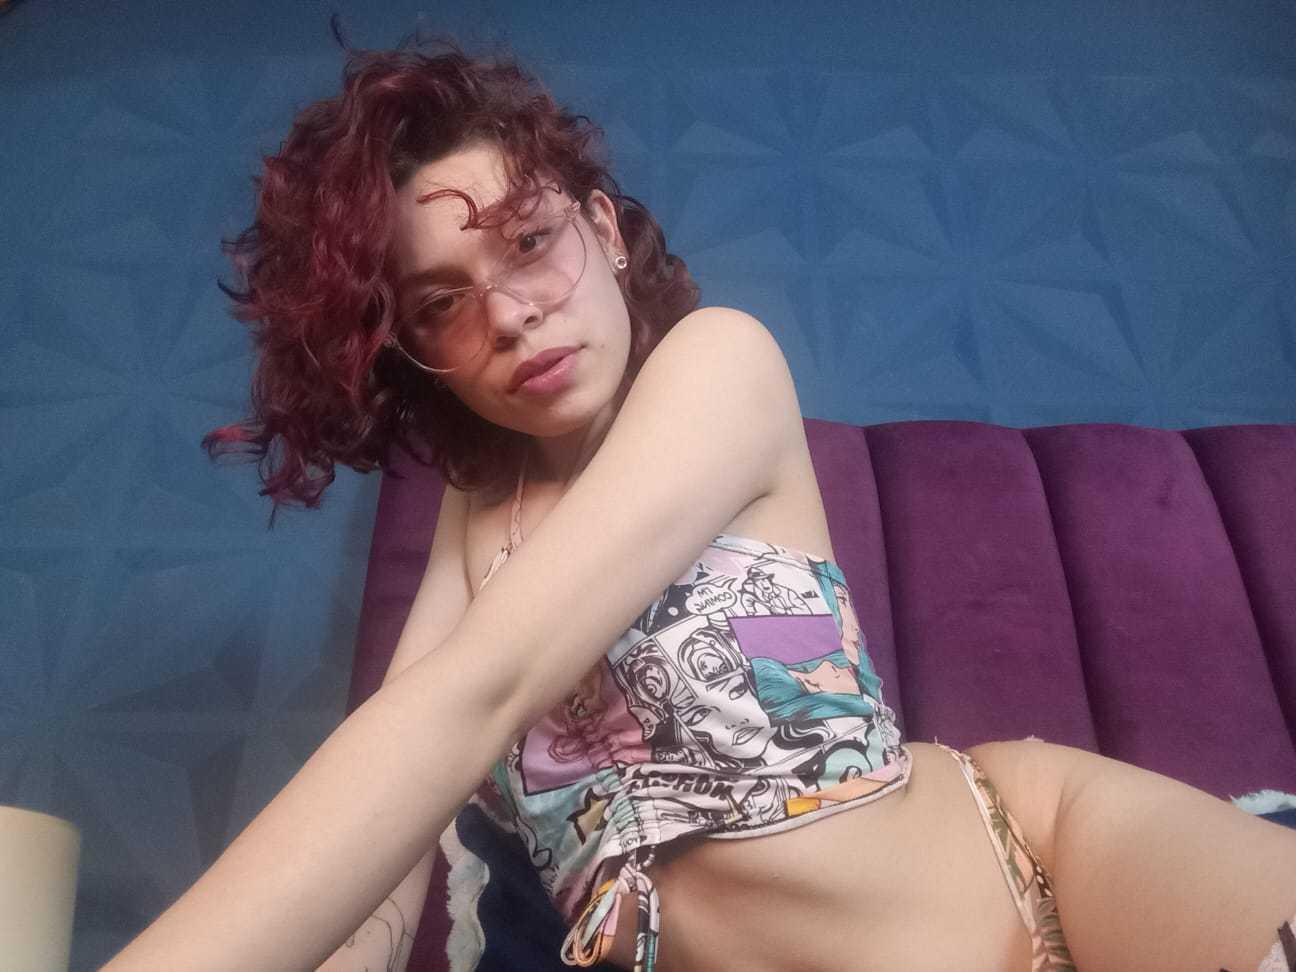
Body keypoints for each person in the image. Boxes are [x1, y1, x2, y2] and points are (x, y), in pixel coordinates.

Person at [105, 27, 1296, 972]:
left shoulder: (719, 363)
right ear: (415, 356)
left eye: (529, 241)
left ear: (605, 230)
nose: (509, 314)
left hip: (1035, 860)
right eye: (442, 304)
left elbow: (477, 695)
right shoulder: (478, 517)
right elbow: (391, 835)